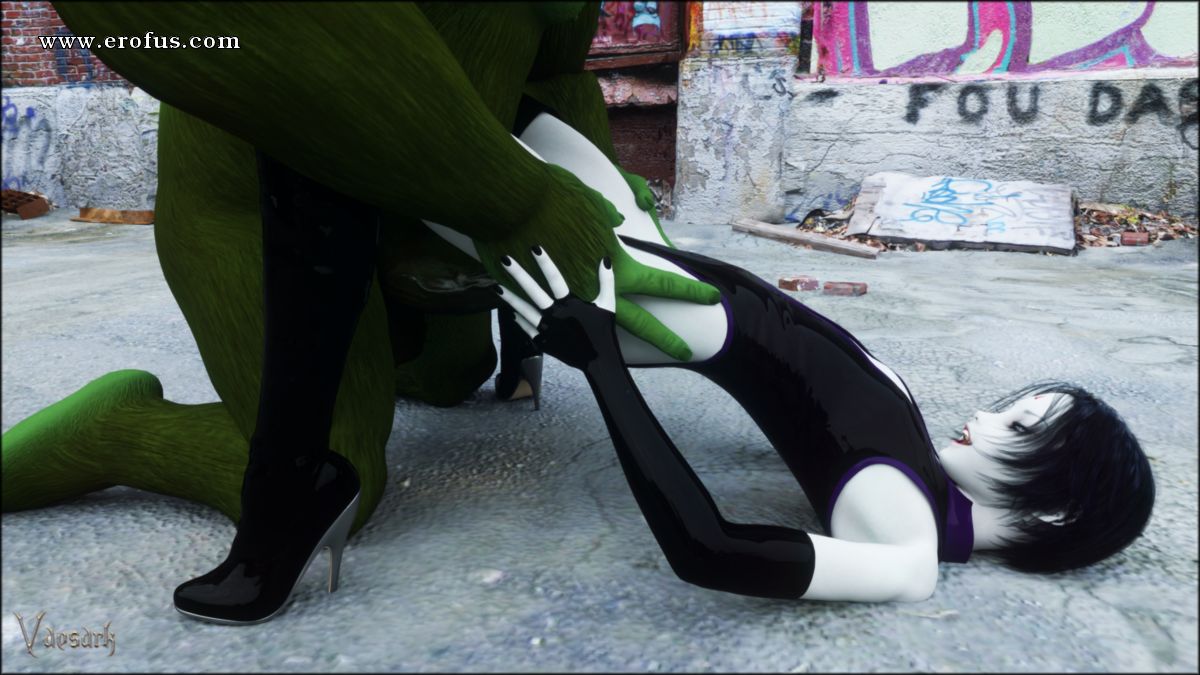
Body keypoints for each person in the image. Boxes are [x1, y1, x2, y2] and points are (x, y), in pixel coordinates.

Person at [493, 243, 1156, 601]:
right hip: (710, 291)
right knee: (534, 137)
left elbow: (708, 550)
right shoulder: (929, 476)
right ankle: (507, 358)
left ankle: (486, 349)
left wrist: (601, 364)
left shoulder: (909, 557)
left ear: (1055, 515)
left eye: (1016, 429)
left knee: (493, 208)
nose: (981, 416)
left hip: (699, 319)